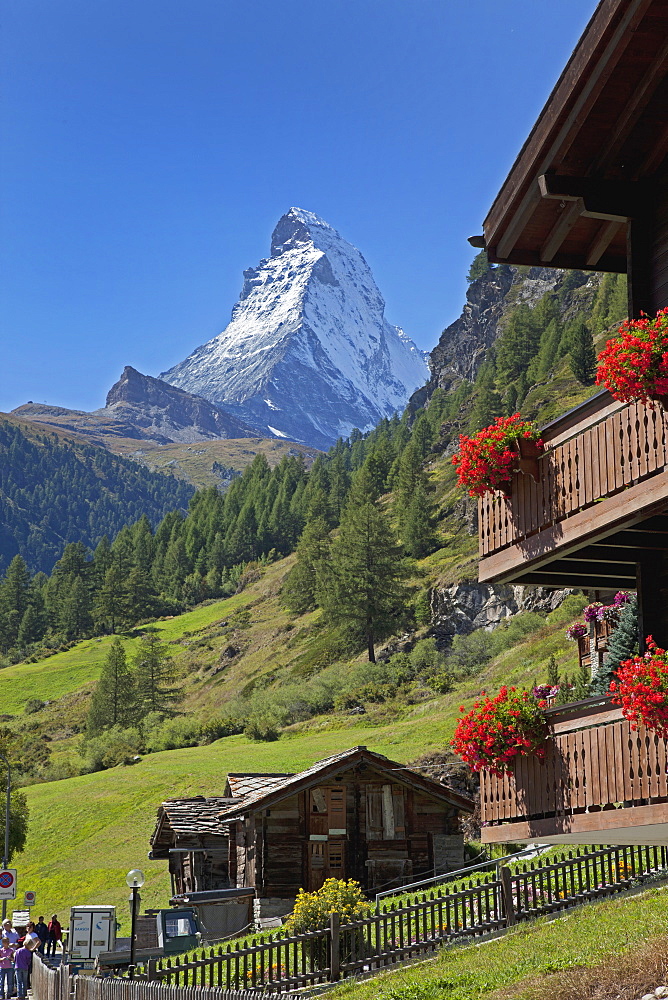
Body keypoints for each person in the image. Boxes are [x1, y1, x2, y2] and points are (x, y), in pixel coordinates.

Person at [0, 936, 15, 1000]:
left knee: (10, 982)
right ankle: (1, 994)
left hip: (10, 967)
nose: (7, 943)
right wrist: (2, 959)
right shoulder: (1, 950)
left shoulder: (11, 950)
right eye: (6, 942)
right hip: (2, 967)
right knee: (1, 982)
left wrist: (10, 958)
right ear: (3, 943)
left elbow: (14, 960)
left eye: (8, 942)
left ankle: (9, 994)